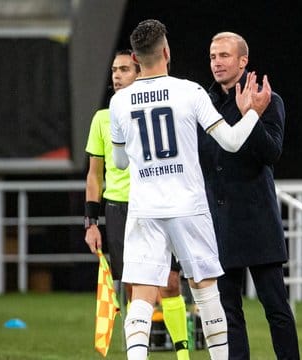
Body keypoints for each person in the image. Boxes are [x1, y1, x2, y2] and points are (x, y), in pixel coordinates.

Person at [109, 19, 272, 360]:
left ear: (136, 59)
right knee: (206, 292)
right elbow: (230, 142)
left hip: (145, 208)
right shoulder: (190, 92)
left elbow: (121, 162)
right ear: (166, 52)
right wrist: (253, 114)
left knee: (141, 294)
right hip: (189, 206)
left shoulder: (120, 102)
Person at [199, 31, 300, 360]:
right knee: (228, 313)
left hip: (257, 221)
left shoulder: (268, 98)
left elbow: (271, 153)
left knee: (277, 309)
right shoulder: (204, 102)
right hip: (219, 224)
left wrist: (251, 114)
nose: (217, 62)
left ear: (243, 61)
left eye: (225, 56)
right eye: (213, 56)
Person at [84, 49, 191, 359]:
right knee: (134, 287)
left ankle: (183, 354)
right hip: (120, 209)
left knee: (171, 283)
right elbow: (95, 175)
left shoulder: (155, 111)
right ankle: (138, 354)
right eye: (114, 70)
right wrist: (91, 223)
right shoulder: (103, 119)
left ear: (140, 72)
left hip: (158, 204)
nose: (117, 75)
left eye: (125, 69)